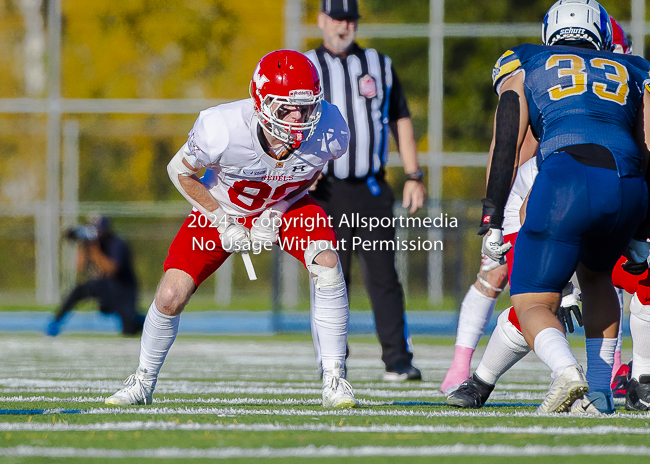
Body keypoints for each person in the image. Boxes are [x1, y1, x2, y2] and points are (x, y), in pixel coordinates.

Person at [105, 50, 359, 409]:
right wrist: (223, 220)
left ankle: (335, 378)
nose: (299, 118)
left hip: (286, 207)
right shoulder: (222, 127)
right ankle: (142, 381)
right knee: (170, 296)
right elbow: (179, 171)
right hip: (220, 208)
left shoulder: (331, 129)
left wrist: (280, 208)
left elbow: (314, 172)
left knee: (328, 264)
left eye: (306, 107)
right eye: (286, 107)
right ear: (261, 101)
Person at [442, 15, 635, 397]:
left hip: (558, 187)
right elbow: (645, 146)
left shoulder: (532, 63)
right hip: (589, 184)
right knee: (576, 287)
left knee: (543, 295)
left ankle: (574, 374)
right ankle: (473, 376)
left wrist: (491, 218)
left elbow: (511, 146)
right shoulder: (628, 71)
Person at [305, 0, 426, 382]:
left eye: (350, 20)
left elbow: (399, 118)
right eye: (337, 19)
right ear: (322, 20)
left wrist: (413, 175)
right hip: (325, 191)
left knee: (384, 275)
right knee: (328, 277)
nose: (344, 27)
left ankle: (397, 359)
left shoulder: (379, 64)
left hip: (372, 188)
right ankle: (331, 361)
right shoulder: (307, 66)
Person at [46, 214, 143, 336]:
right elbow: (79, 267)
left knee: (129, 329)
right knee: (79, 290)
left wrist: (94, 249)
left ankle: (141, 320)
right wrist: (84, 245)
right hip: (106, 286)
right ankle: (56, 322)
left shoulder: (118, 244)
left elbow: (111, 269)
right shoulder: (92, 244)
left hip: (123, 290)